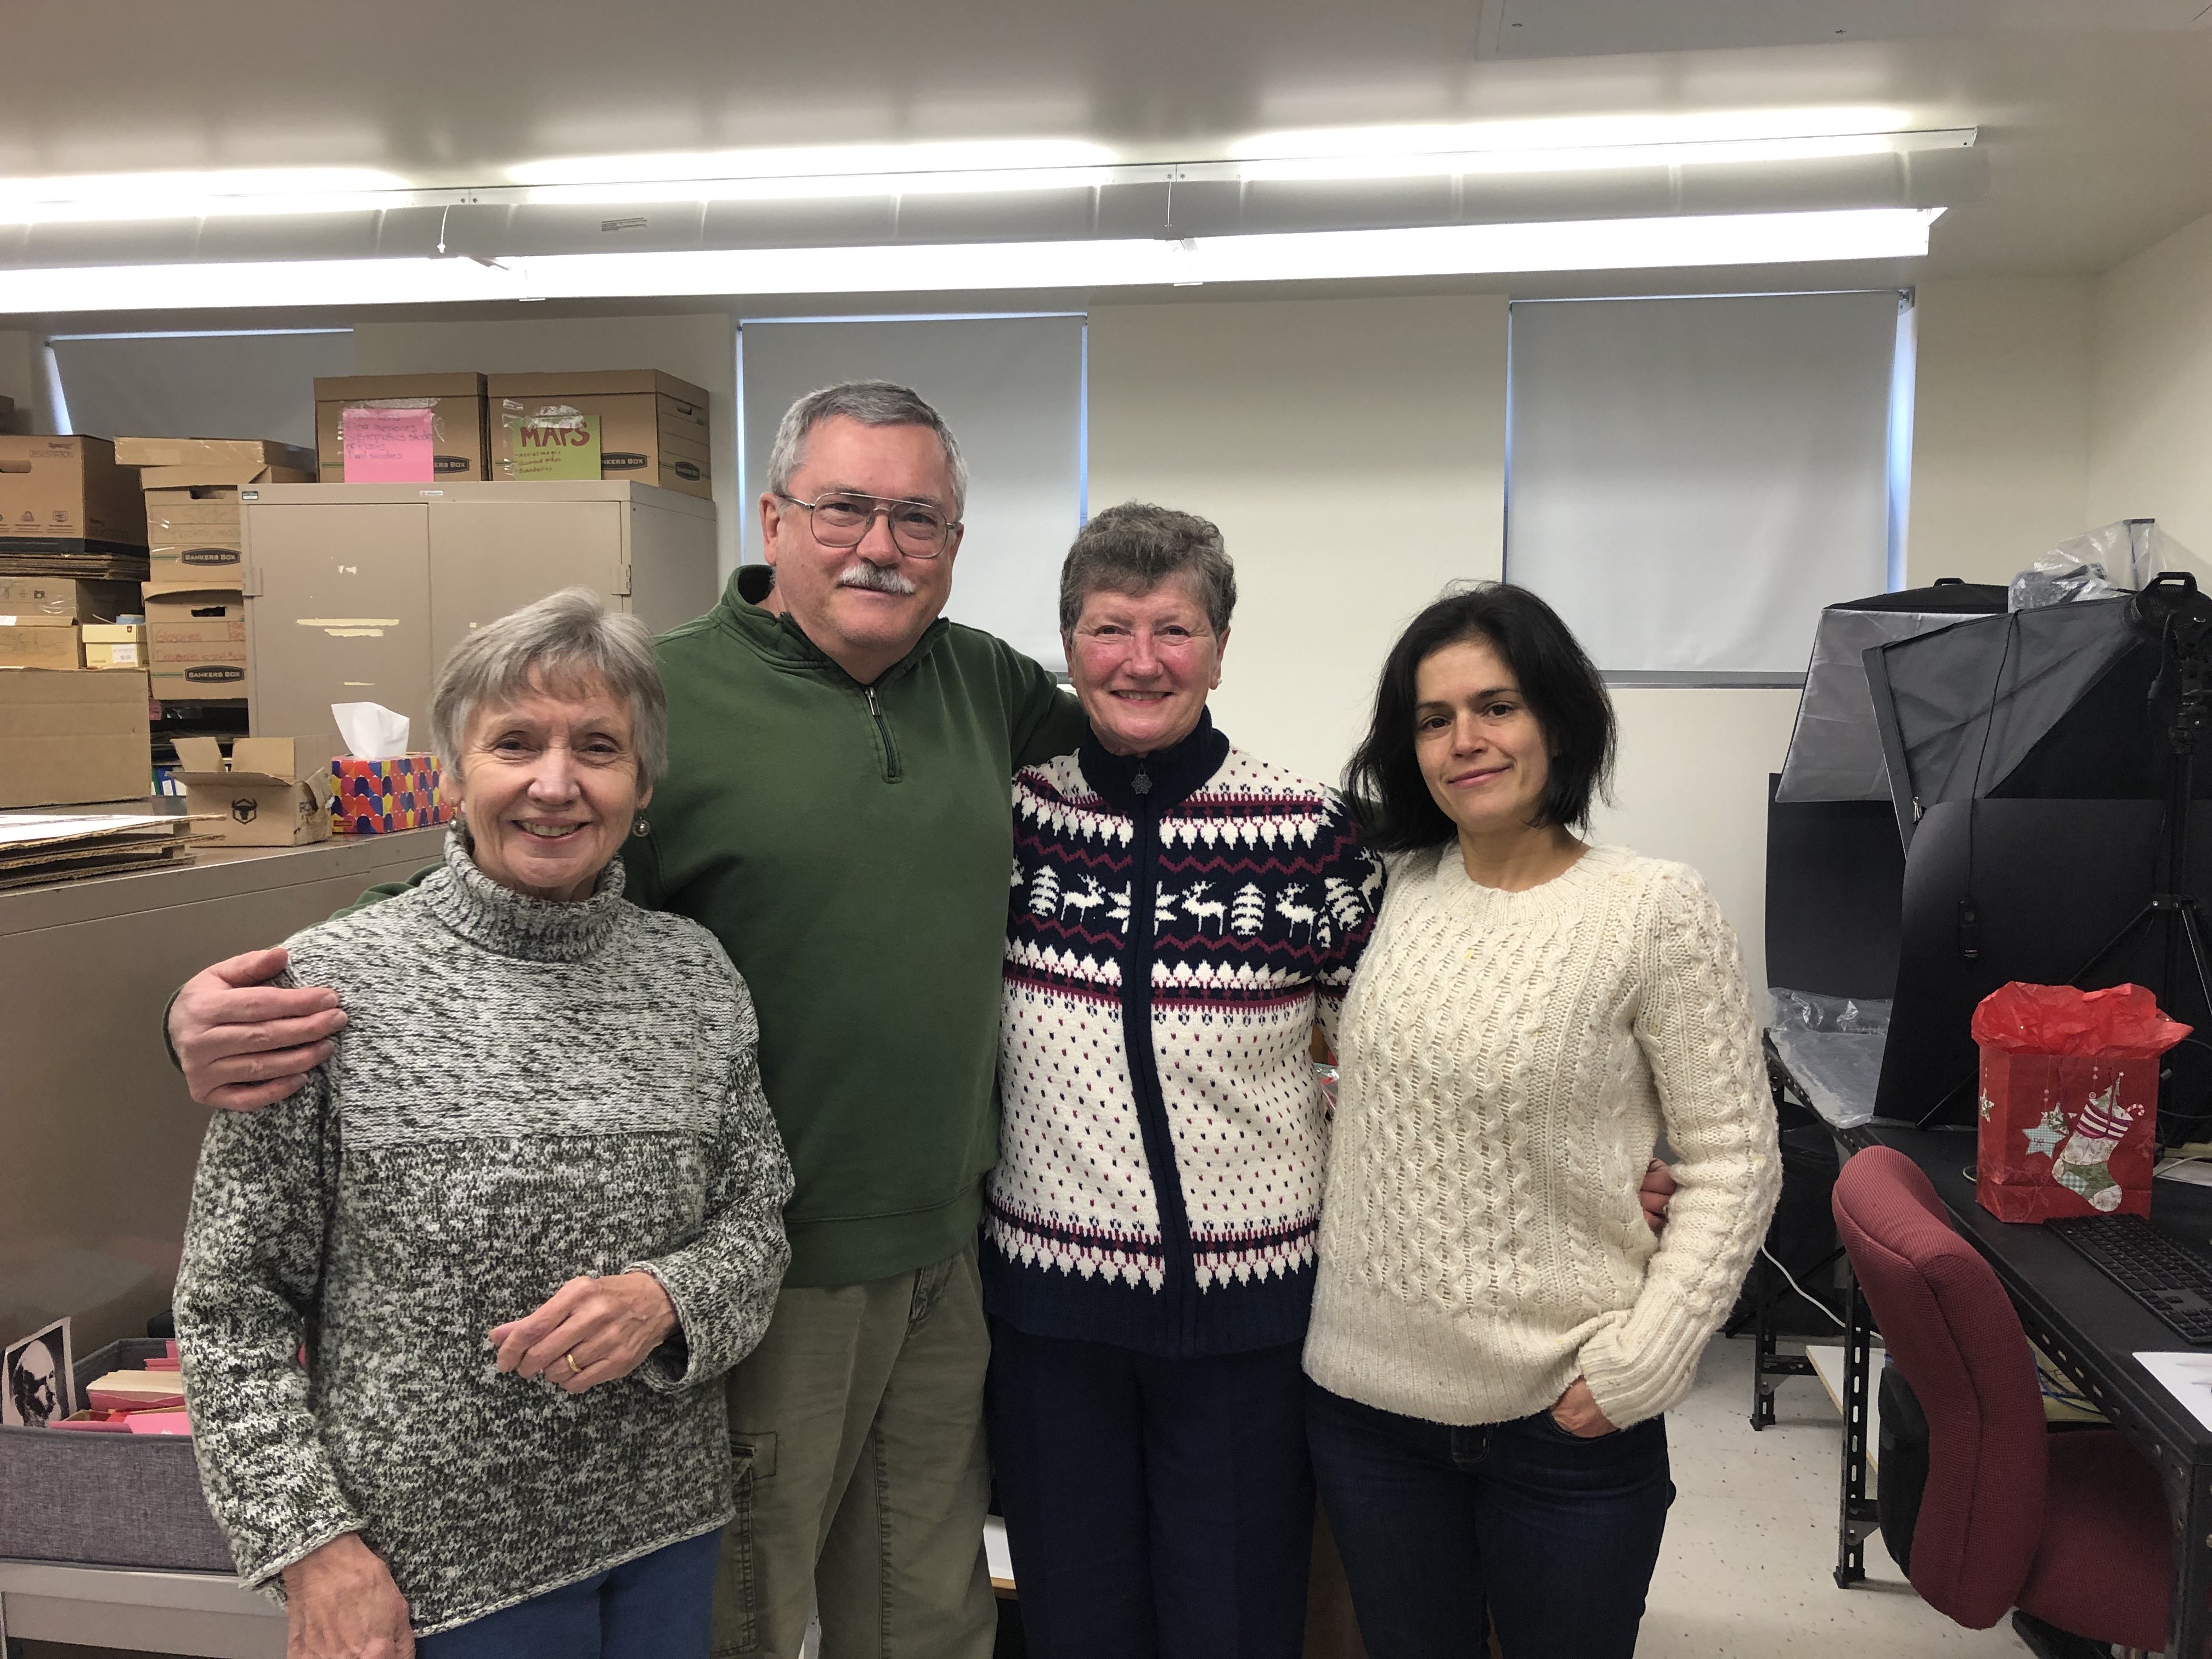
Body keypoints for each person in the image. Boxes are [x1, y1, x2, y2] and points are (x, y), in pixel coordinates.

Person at [163, 382, 1088, 1659]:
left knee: (927, 1607)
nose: (881, 543)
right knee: (749, 1615)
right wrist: (219, 1013)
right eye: (844, 509)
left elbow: (1134, 734)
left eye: (918, 518)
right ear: (774, 518)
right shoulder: (668, 693)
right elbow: (489, 890)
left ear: (955, 542)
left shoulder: (984, 681)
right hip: (768, 1273)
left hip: (943, 1251)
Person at [173, 589, 794, 1659]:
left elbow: (758, 1225)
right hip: (428, 1580)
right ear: (454, 777)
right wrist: (312, 1550)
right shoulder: (332, 984)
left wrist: (669, 1297)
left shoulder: (694, 974)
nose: (555, 784)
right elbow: (232, 1310)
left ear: (641, 788)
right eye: (516, 743)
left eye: (598, 747)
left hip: (667, 1536)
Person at [1302, 584, 1781, 1659]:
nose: (1464, 740)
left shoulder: (1655, 908)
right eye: (1433, 720)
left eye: (1497, 706)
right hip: (1366, 1411)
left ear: (1558, 719)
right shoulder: (1382, 891)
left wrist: (1644, 1363)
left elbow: (1736, 1160)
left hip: (1562, 1418)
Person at [984, 503, 1381, 1658]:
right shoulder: (1013, 820)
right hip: (1051, 1314)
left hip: (1250, 1317)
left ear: (1218, 648)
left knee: (1236, 1619)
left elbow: (1395, 1056)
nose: (1142, 661)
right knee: (1077, 1619)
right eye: (1111, 628)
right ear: (1068, 645)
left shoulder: (1306, 830)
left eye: (1175, 630)